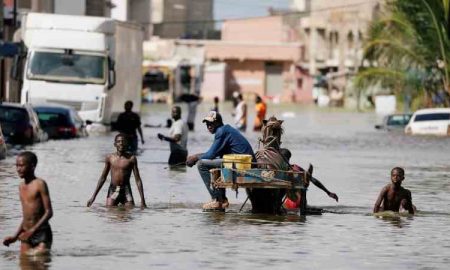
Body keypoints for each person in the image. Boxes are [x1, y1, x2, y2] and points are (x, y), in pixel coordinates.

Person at [186, 111, 255, 210]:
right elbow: (214, 154)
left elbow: (210, 155)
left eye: (211, 123)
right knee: (215, 162)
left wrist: (195, 157)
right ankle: (222, 199)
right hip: (241, 162)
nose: (209, 126)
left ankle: (217, 199)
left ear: (218, 122)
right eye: (207, 124)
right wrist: (196, 156)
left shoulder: (221, 131)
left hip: (241, 164)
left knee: (201, 164)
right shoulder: (225, 130)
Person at [3, 151, 53, 255]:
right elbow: (26, 217)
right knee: (25, 262)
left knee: (40, 259)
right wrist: (15, 237)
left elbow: (49, 212)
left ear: (32, 166)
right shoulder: (21, 187)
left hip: (41, 233)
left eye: (21, 166)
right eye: (16, 166)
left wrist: (33, 230)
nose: (18, 169)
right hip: (26, 233)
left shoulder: (40, 184)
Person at [87, 134, 146, 208]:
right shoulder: (110, 158)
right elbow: (103, 178)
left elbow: (138, 180)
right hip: (113, 190)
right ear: (115, 144)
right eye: (118, 141)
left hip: (126, 191)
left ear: (127, 143)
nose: (121, 143)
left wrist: (143, 200)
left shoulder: (131, 159)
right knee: (110, 213)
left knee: (129, 214)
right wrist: (93, 197)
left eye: (123, 141)